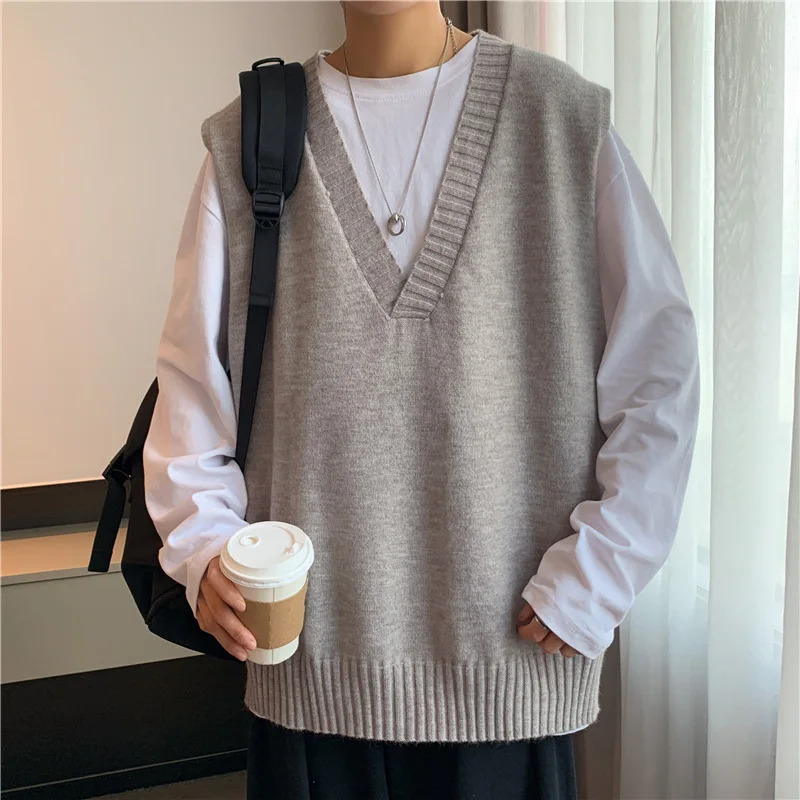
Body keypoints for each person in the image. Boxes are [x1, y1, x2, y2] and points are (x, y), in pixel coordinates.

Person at [142, 2, 700, 798]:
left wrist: (599, 573)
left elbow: (659, 377)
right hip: (311, 683)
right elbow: (192, 392)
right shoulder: (247, 140)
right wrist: (205, 552)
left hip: (513, 674)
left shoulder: (561, 121)